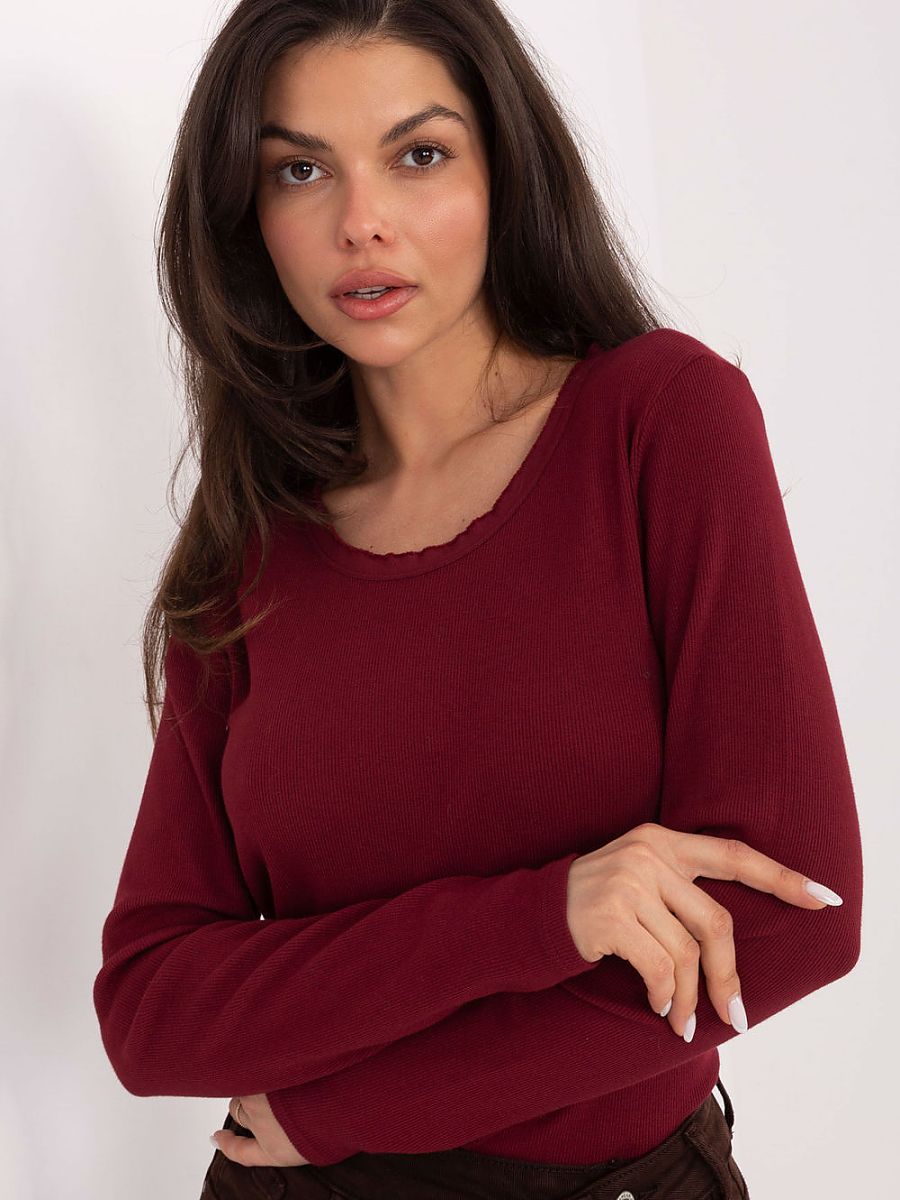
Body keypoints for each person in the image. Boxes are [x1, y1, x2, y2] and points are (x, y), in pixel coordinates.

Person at [92, 2, 863, 1198]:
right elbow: (154, 1013)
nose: (362, 222)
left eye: (418, 153)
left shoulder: (659, 422)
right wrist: (542, 917)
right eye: (301, 169)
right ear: (247, 214)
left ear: (506, 166)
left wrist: (345, 1110)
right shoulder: (252, 537)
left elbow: (790, 919)